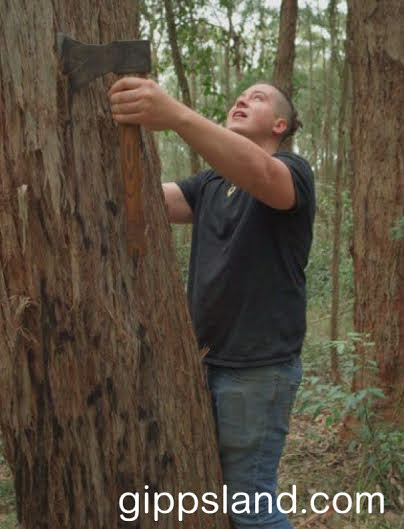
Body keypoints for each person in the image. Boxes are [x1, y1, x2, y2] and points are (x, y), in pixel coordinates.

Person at [109, 77, 315, 529]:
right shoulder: (210, 183)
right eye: (240, 95)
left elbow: (264, 177)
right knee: (208, 492)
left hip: (257, 367)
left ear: (279, 124)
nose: (242, 98)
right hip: (204, 362)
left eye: (257, 98)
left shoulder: (293, 171)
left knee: (251, 505)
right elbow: (146, 201)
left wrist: (178, 115)